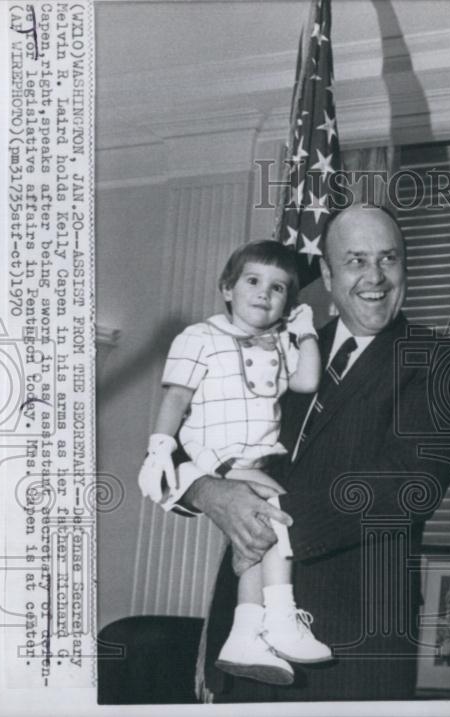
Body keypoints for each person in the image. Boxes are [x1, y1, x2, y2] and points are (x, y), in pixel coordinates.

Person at [176, 205, 450, 701]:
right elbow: (183, 442)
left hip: (353, 643)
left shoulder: (435, 358)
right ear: (328, 276)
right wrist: (208, 491)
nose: (374, 276)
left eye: (388, 259)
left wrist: (268, 519)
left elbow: (411, 484)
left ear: (404, 268)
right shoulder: (273, 344)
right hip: (246, 639)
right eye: (355, 261)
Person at [137, 240, 331, 686]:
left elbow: (306, 381)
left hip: (252, 457)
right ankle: (279, 617)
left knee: (257, 537)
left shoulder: (281, 343)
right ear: (227, 288)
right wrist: (160, 446)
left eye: (279, 288)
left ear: (289, 302)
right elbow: (177, 396)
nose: (265, 293)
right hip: (216, 454)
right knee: (281, 515)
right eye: (253, 281)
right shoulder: (199, 337)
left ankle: (246, 631)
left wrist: (304, 332)